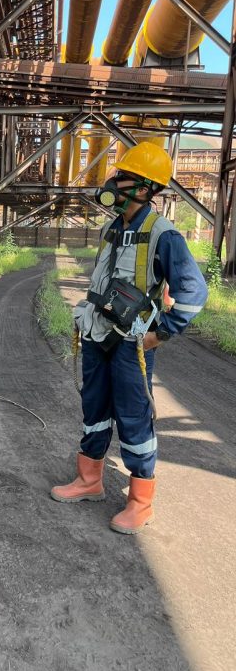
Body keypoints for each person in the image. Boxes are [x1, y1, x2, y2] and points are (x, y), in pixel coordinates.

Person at [50, 142, 208, 534]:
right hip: (97, 335)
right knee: (94, 408)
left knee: (134, 418)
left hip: (131, 344)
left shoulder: (163, 235)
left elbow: (193, 293)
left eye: (120, 176)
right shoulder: (112, 228)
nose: (111, 182)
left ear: (143, 188)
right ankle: (90, 480)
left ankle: (140, 501)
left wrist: (160, 335)